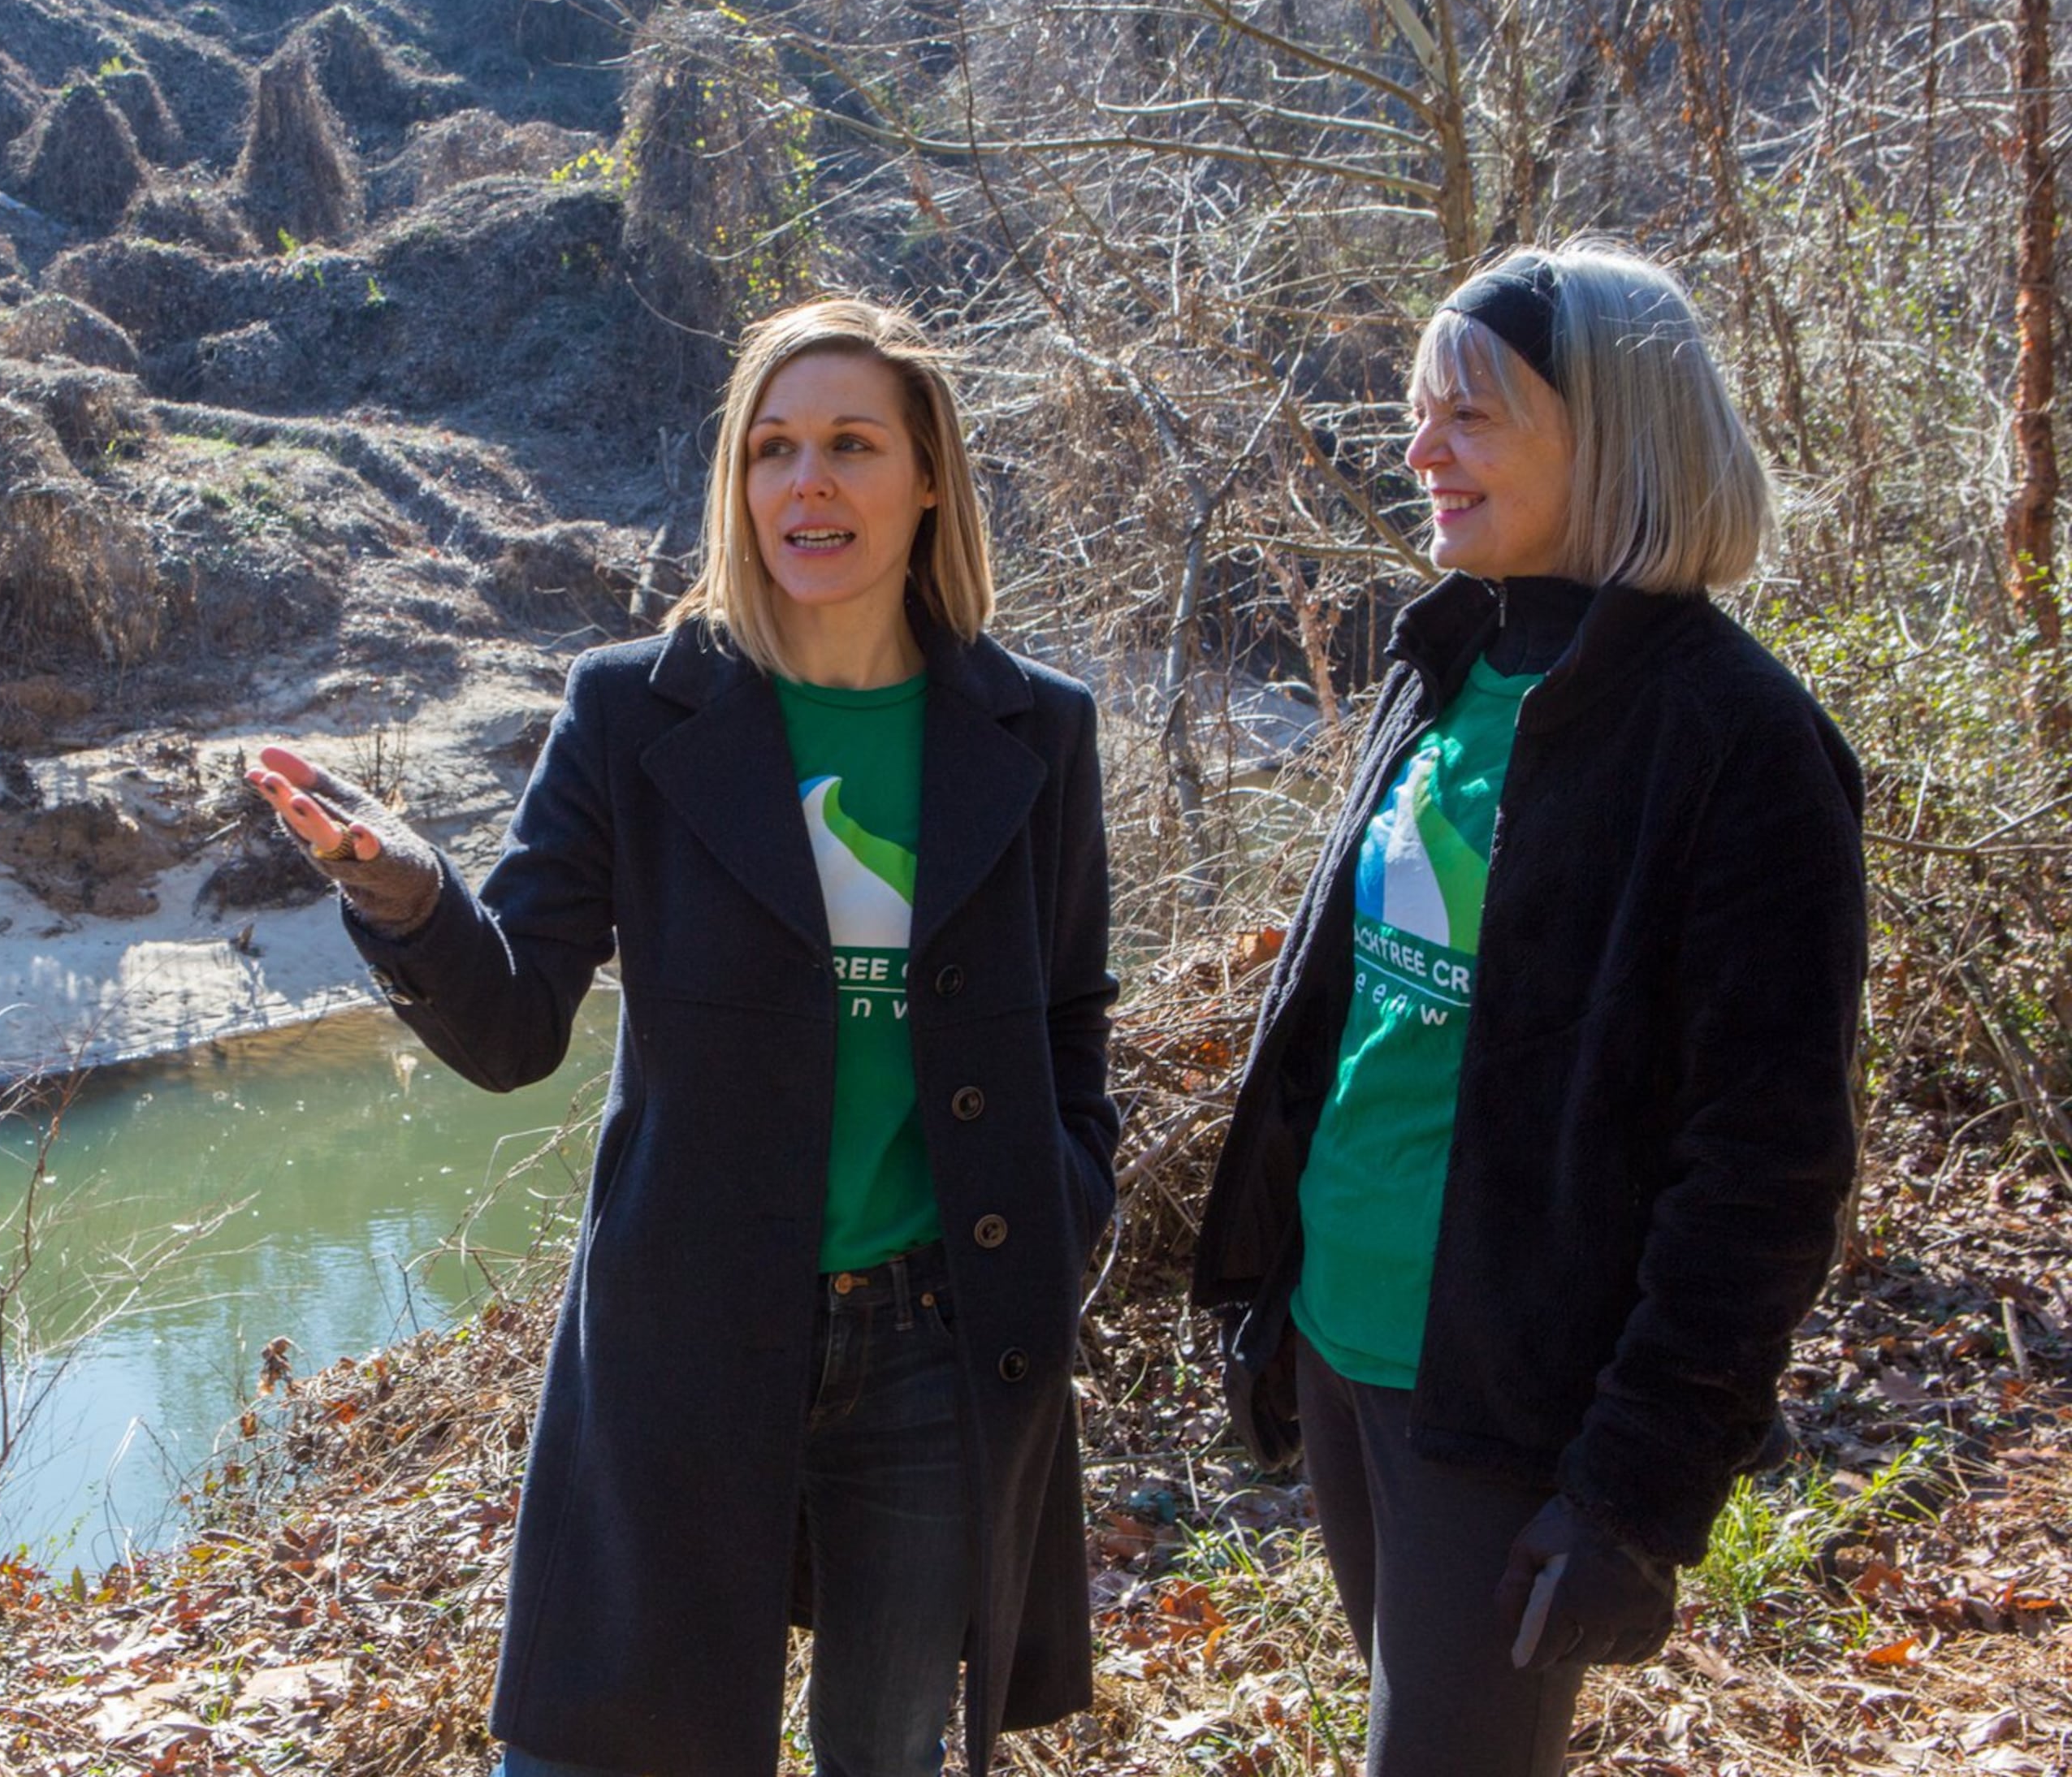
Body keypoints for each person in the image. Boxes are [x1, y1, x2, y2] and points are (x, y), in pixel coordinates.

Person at [245, 298, 1116, 1777]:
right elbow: (518, 1014)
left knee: (887, 1756)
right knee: (612, 1747)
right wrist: (406, 892)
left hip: (937, 1335)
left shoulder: (1034, 728)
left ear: (926, 480)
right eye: (773, 449)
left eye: (852, 445)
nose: (807, 482)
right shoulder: (633, 712)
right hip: (688, 1321)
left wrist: (1061, 1209)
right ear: (737, 485)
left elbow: (1069, 1020)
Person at [1188, 244, 1867, 1775]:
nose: (1420, 450)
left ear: (1614, 432)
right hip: (1346, 1346)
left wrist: (1639, 1489)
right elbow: (1357, 1025)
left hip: (1511, 1393)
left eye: (1472, 417)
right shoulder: (1449, 663)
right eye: (1420, 413)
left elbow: (1767, 1168)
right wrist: (1271, 1286)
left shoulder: (1742, 746)